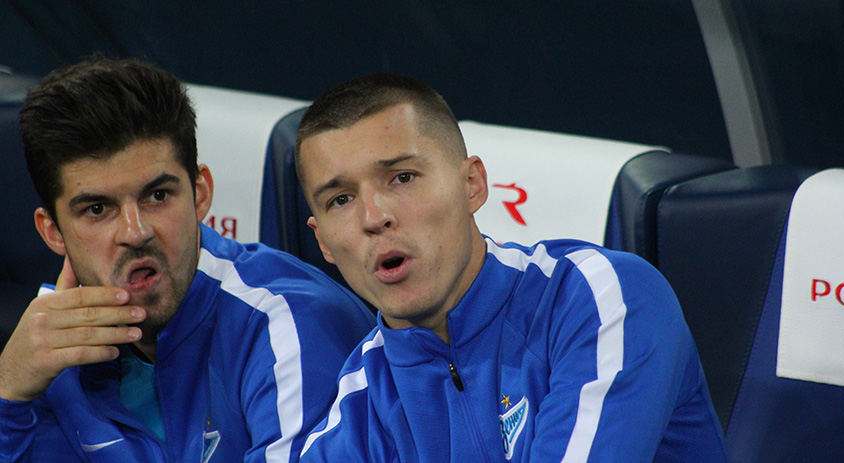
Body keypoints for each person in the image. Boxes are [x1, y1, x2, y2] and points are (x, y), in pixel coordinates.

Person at [294, 74, 728, 462]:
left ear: (472, 185)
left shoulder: (599, 297)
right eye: (341, 200)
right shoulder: (358, 407)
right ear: (323, 242)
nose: (374, 217)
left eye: (402, 177)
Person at [0, 57, 375, 462]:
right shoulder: (45, 355)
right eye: (97, 210)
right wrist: (6, 395)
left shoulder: (289, 325)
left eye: (158, 196)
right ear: (53, 231)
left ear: (200, 194)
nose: (135, 232)